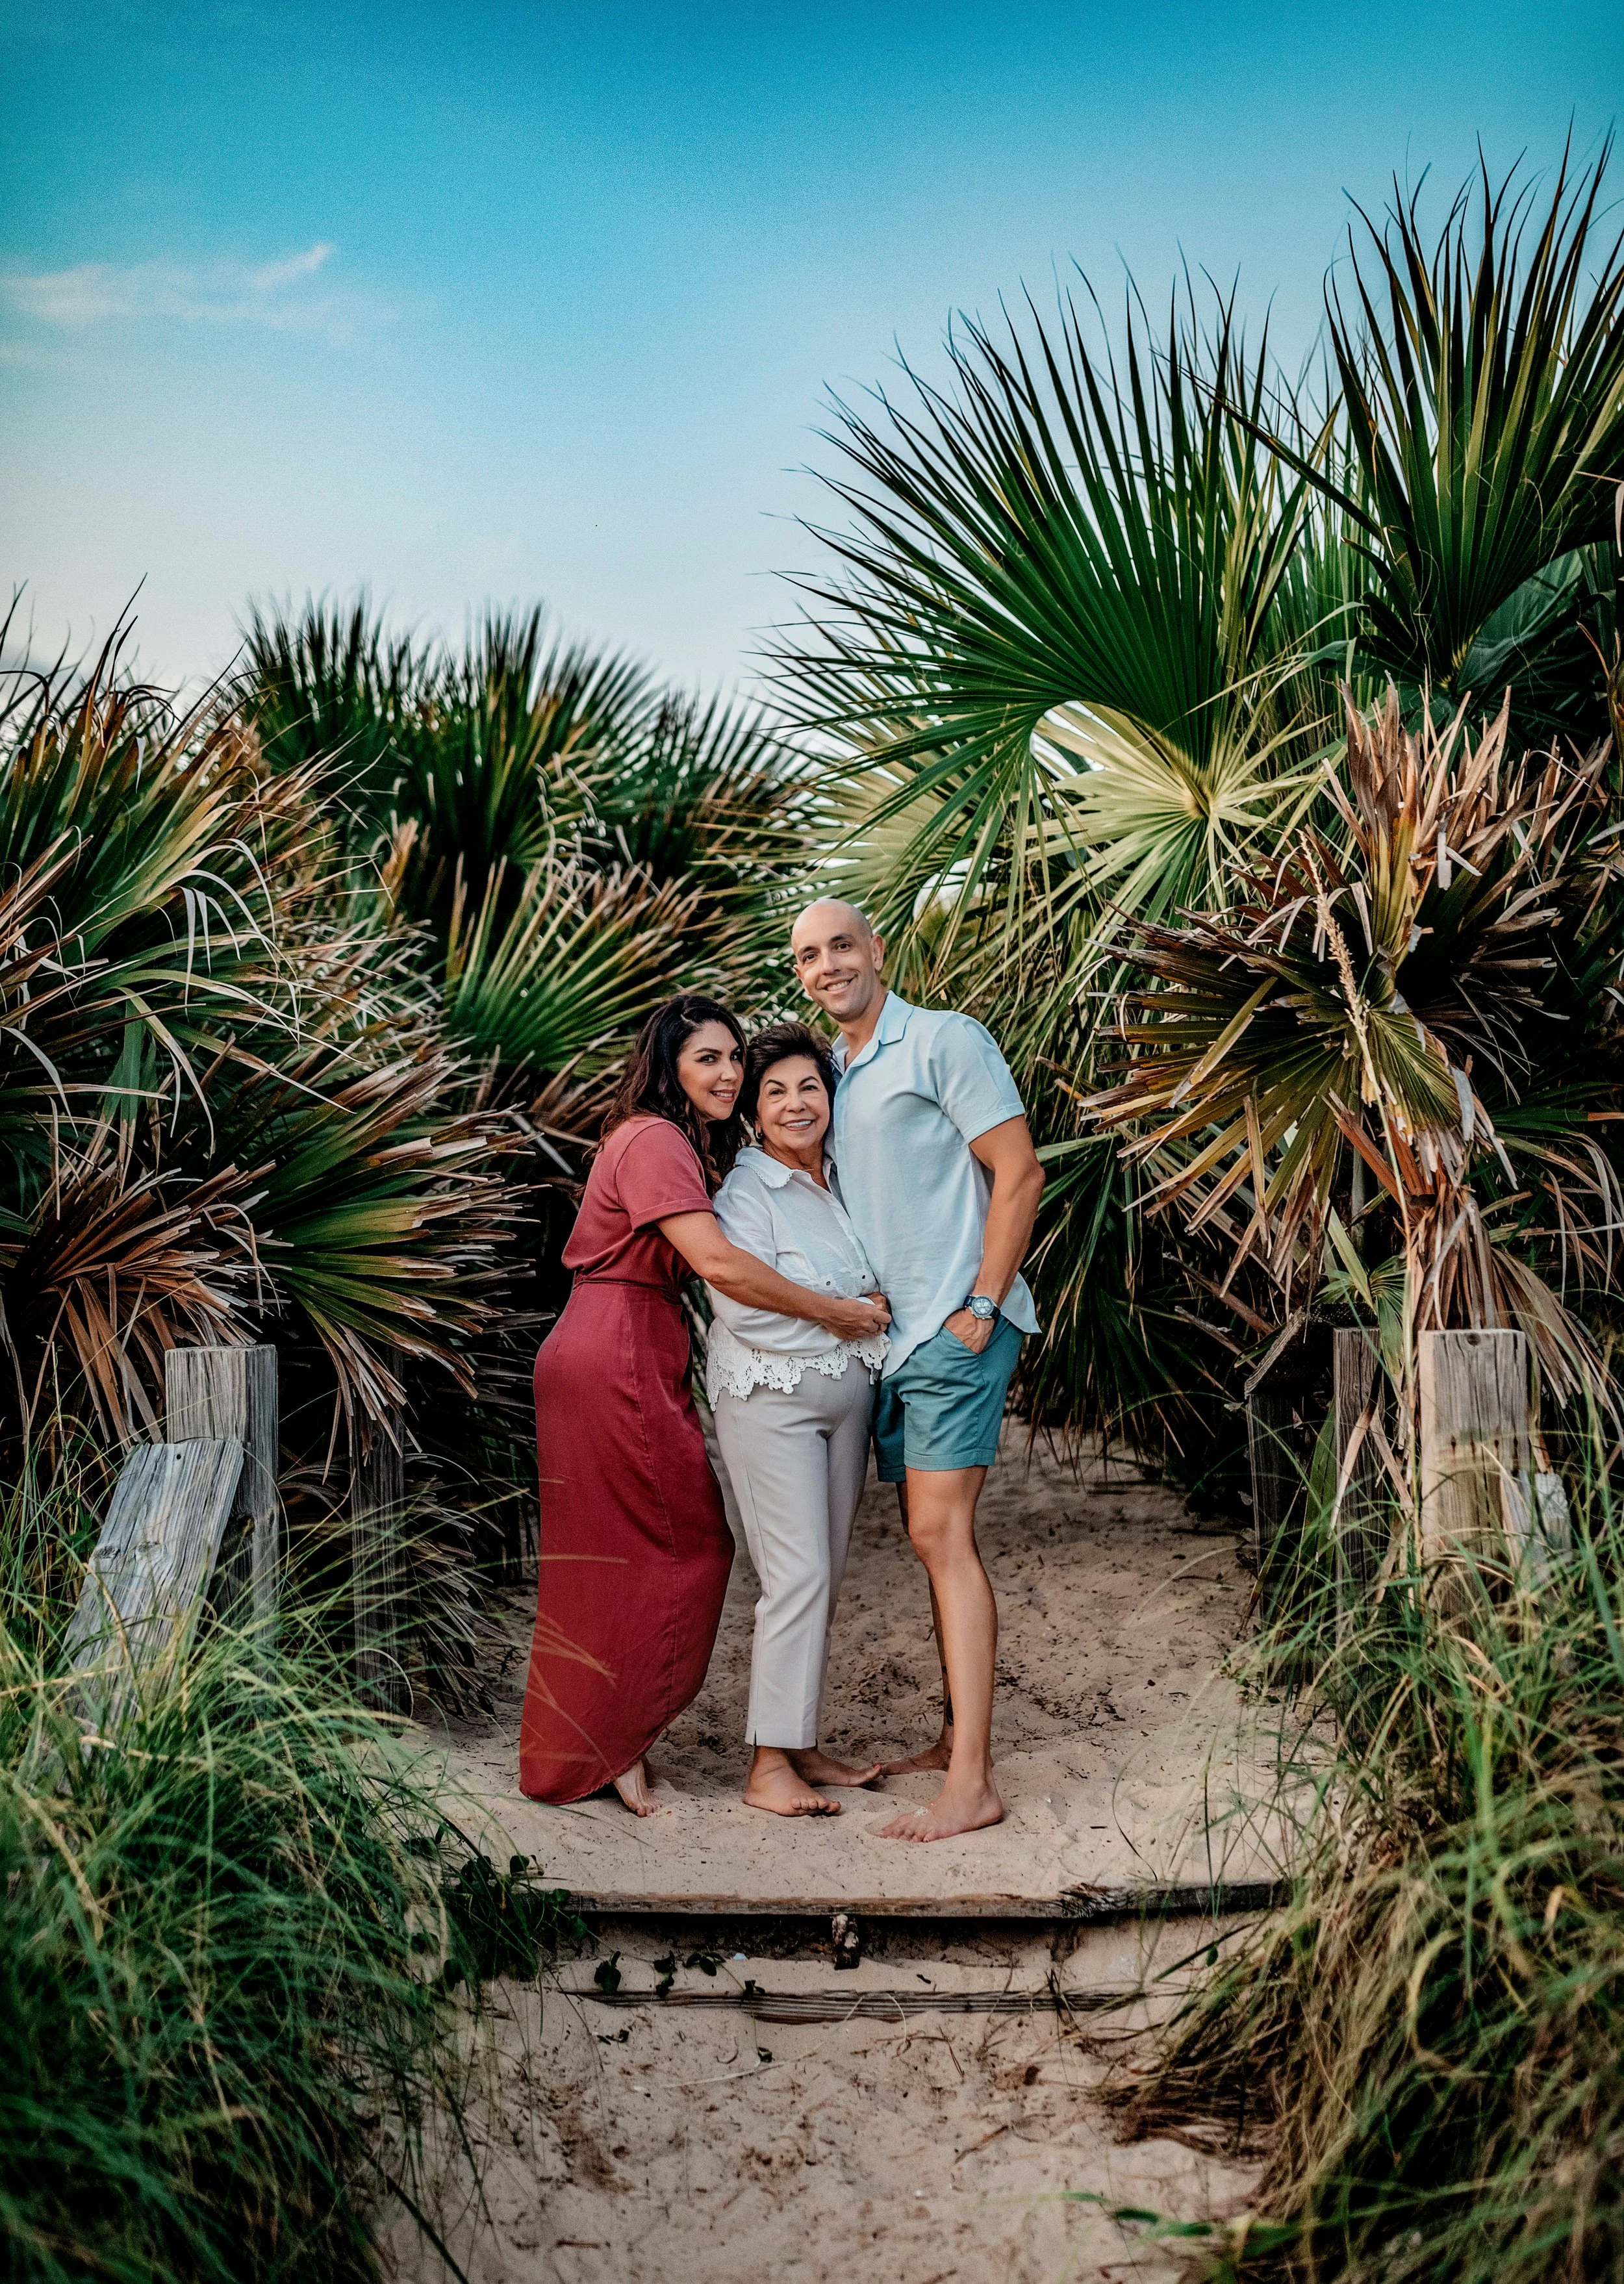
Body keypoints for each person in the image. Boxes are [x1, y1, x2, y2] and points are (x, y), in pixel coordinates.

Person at [518, 993, 891, 1816]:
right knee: (678, 1548)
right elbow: (718, 1265)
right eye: (707, 1061)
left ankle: (613, 1743)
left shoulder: (676, 1142)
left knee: (625, 1552)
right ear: (669, 1068)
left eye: (731, 1057)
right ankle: (612, 1745)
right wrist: (838, 1311)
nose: (727, 1074)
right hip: (614, 1342)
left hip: (631, 1339)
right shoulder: (652, 1139)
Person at [790, 900, 1045, 1842]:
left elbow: (1017, 1171)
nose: (828, 965)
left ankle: (972, 1783)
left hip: (955, 1329)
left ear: (878, 951)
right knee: (931, 1540)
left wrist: (979, 1307)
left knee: (944, 1539)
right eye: (809, 957)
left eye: (841, 945)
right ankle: (953, 1739)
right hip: (897, 1347)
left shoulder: (943, 1039)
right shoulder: (836, 1076)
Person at [705, 1021, 888, 1818]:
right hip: (769, 1400)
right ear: (753, 1109)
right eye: (774, 1091)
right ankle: (765, 1767)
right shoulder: (747, 1192)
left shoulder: (849, 1181)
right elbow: (742, 1306)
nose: (794, 1103)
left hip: (847, 1404)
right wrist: (847, 1319)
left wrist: (870, 1314)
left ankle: (800, 1741)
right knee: (796, 1577)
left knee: (826, 1574)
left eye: (808, 1085)